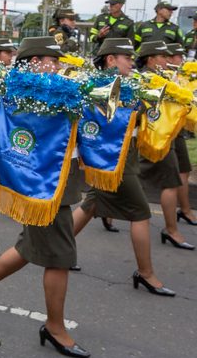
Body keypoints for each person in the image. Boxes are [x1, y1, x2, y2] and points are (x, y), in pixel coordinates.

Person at [0, 36, 91, 358]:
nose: (57, 66)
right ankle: (55, 327)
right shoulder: (25, 92)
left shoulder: (54, 88)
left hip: (60, 177)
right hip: (45, 183)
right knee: (59, 257)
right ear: (32, 62)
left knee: (26, 248)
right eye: (50, 60)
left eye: (58, 61)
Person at [73, 38, 175, 296]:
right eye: (126, 58)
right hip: (113, 160)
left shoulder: (126, 83)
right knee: (141, 213)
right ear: (110, 60)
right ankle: (146, 273)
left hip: (122, 156)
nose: (132, 62)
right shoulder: (100, 86)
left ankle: (58, 251)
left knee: (91, 204)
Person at [136, 41, 195, 250]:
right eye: (162, 56)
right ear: (151, 59)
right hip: (156, 137)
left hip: (167, 135)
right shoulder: (147, 79)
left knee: (177, 175)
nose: (167, 59)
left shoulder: (161, 76)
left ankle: (177, 222)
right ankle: (171, 230)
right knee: (169, 183)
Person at [165, 43, 197, 226]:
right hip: (163, 134)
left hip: (177, 131)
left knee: (184, 169)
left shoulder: (180, 75)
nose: (182, 59)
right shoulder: (164, 76)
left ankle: (185, 210)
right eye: (178, 56)